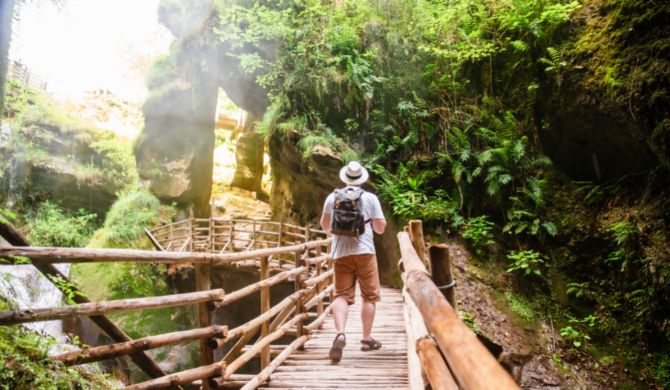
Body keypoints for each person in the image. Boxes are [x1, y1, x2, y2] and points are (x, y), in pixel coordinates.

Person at [320, 161, 387, 363]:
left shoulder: (333, 197)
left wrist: (341, 229)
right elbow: (380, 228)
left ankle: (340, 333)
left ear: (344, 177)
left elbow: (325, 226)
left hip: (340, 253)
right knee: (369, 296)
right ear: (362, 179)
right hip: (365, 252)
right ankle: (366, 339)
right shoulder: (370, 198)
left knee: (341, 295)